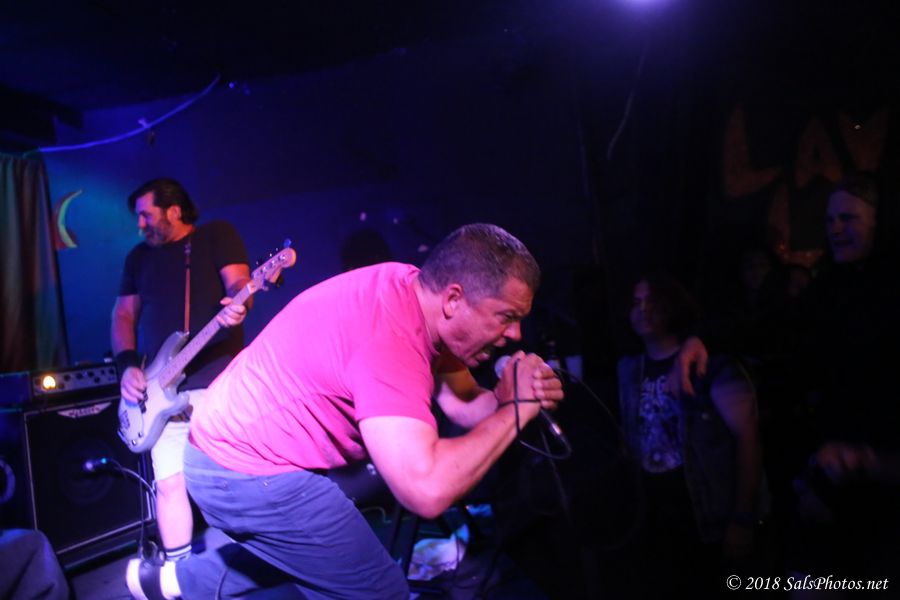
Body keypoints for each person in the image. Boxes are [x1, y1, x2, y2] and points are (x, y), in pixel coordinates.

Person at [124, 223, 563, 599]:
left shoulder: (415, 291)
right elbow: (426, 490)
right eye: (506, 316)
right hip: (241, 468)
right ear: (453, 300)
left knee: (308, 552)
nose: (515, 334)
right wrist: (516, 409)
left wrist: (510, 399)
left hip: (226, 445)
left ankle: (169, 583)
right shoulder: (391, 341)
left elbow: (463, 404)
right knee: (379, 589)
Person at [111, 177, 251, 565]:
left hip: (213, 383)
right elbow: (123, 315)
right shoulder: (137, 259)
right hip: (158, 391)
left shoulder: (215, 236)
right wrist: (127, 366)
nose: (140, 224)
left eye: (146, 215)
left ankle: (257, 564)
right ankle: (178, 572)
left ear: (174, 211)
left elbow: (240, 282)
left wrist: (240, 301)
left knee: (232, 477)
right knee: (168, 483)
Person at [617, 274, 765, 598]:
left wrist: (742, 516)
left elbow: (749, 438)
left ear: (672, 306)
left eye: (652, 301)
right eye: (636, 302)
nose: (643, 310)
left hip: (704, 511)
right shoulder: (628, 369)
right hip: (655, 512)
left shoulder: (708, 364)